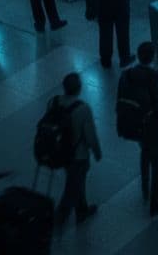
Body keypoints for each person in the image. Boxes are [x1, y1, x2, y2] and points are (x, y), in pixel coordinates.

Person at [120, 43, 158, 216]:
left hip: (137, 125)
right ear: (153, 57)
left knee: (145, 154)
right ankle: (156, 203)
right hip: (157, 128)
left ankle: (145, 188)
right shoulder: (157, 79)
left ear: (138, 56)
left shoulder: (127, 75)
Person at [51, 73, 101, 225]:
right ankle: (60, 217)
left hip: (59, 150)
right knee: (73, 185)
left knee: (75, 180)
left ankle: (82, 209)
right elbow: (90, 135)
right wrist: (97, 151)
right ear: (79, 89)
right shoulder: (82, 109)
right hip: (78, 154)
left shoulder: (53, 102)